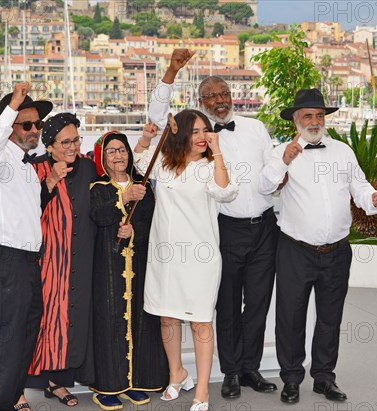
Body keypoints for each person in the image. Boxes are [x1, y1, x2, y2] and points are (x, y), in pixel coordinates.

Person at [149, 49, 279, 400]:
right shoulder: (197, 143)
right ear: (201, 101)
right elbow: (157, 117)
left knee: (258, 302)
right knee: (225, 305)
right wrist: (171, 72)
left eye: (224, 94)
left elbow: (271, 168)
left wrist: (281, 176)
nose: (220, 101)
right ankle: (231, 371)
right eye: (212, 97)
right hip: (225, 229)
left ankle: (251, 368)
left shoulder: (255, 128)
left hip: (265, 226)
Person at [258, 88, 377, 404]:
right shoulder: (281, 152)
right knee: (290, 317)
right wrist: (284, 161)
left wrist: (373, 200)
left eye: (319, 115)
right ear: (296, 119)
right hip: (295, 250)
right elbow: (264, 187)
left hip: (337, 251)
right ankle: (291, 379)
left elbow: (359, 186)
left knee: (330, 317)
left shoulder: (343, 151)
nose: (314, 121)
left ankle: (324, 378)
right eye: (308, 116)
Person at [134, 109, 238, 411]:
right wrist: (145, 138)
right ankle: (177, 374)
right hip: (164, 258)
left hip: (200, 258)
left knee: (200, 324)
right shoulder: (164, 165)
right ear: (180, 135)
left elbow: (226, 191)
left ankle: (202, 390)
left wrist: (218, 152)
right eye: (194, 131)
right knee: (167, 317)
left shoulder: (210, 167)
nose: (202, 136)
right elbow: (140, 160)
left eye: (205, 130)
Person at [0, 82, 52, 411]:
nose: (34, 129)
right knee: (10, 346)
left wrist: (48, 186)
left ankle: (8, 402)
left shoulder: (25, 165)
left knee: (25, 340)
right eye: (26, 124)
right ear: (9, 127)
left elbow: (26, 210)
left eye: (37, 124)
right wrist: (14, 104)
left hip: (27, 264)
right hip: (8, 262)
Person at [87, 128, 169, 411]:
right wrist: (121, 200)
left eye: (122, 149)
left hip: (139, 267)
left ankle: (135, 381)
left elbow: (152, 224)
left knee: (140, 322)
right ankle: (109, 386)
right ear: (103, 157)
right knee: (110, 322)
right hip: (108, 269)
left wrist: (135, 231)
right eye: (112, 151)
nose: (118, 155)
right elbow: (97, 216)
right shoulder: (98, 188)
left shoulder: (143, 187)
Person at [24, 113, 97, 407]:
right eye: (65, 142)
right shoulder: (34, 169)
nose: (72, 146)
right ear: (49, 146)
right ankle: (29, 382)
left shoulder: (89, 168)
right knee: (43, 323)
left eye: (76, 140)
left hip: (81, 260)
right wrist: (51, 182)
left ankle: (58, 382)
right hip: (47, 262)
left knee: (71, 322)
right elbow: (26, 211)